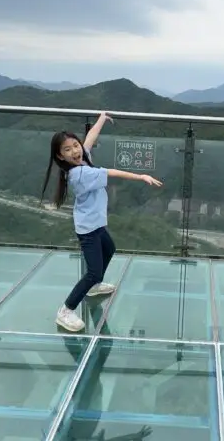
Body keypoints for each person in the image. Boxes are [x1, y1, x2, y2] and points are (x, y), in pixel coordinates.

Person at [41, 112, 162, 332]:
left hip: (95, 223)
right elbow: (112, 172)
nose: (75, 151)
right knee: (93, 271)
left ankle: (94, 287)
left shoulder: (82, 157)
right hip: (88, 229)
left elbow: (90, 139)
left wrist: (101, 119)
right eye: (67, 150)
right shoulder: (79, 173)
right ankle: (66, 310)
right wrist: (141, 176)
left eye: (75, 146)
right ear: (60, 157)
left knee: (110, 249)